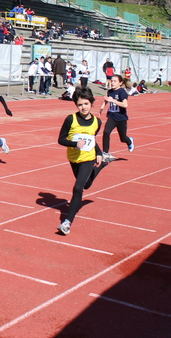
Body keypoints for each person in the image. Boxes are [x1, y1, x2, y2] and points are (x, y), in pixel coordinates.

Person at [57, 86, 110, 235]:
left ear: (91, 103)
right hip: (74, 158)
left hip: (88, 157)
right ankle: (102, 165)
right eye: (80, 104)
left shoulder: (97, 122)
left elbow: (92, 140)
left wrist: (98, 152)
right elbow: (60, 139)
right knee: (86, 185)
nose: (83, 107)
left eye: (86, 104)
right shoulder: (70, 119)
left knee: (78, 188)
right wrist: (74, 144)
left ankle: (67, 222)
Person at [99, 75, 134, 162]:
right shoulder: (110, 91)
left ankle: (129, 141)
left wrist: (113, 101)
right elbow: (107, 99)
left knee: (122, 138)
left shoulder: (122, 92)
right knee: (106, 132)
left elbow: (125, 105)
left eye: (115, 81)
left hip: (121, 118)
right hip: (111, 116)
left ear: (120, 83)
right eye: (112, 81)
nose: (112, 83)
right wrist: (102, 108)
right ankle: (105, 153)